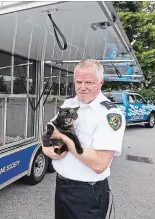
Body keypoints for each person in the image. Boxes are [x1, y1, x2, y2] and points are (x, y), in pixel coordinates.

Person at [42, 59, 126, 219]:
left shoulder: (110, 114)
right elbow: (49, 131)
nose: (82, 87)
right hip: (62, 187)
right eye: (78, 82)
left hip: (87, 193)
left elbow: (100, 164)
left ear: (100, 82)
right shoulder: (69, 103)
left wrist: (65, 139)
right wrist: (46, 148)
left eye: (89, 82)